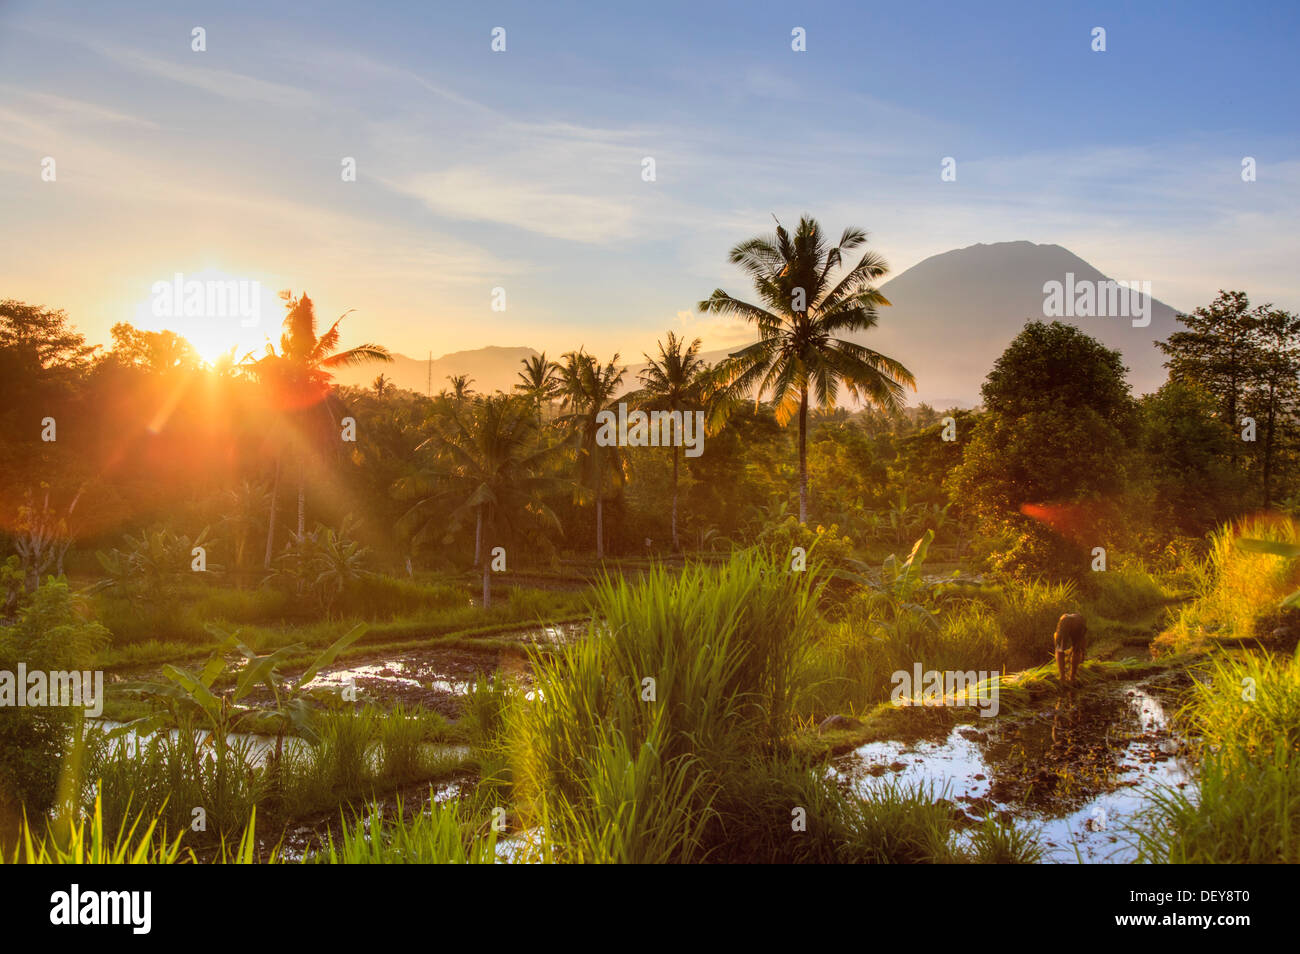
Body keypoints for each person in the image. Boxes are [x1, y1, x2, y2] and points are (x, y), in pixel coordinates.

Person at [1054, 612, 1087, 686]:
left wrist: (1057, 645)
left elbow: (1056, 637)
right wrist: (1083, 655)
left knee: (1059, 650)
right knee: (1076, 650)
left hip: (1064, 621)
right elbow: (1083, 642)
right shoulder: (1081, 621)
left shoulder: (1064, 618)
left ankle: (1062, 677)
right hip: (1076, 623)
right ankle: (1072, 677)